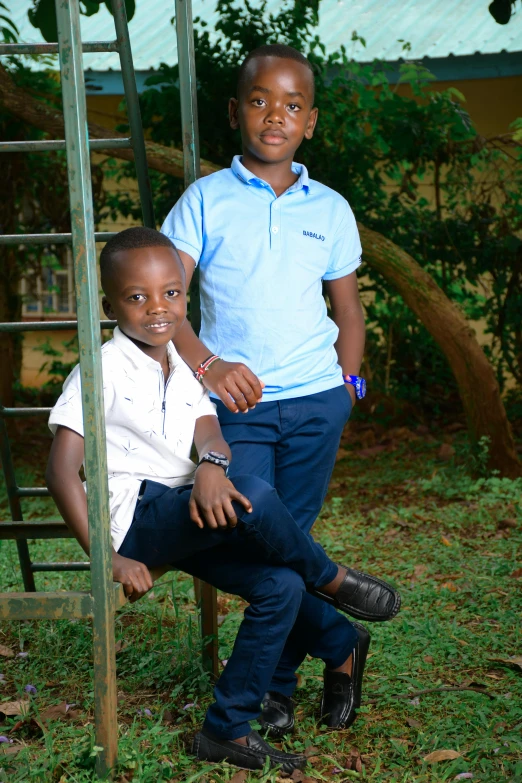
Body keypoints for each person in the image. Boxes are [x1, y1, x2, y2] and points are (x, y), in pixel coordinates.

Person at [45, 228, 399, 773]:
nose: (157, 308)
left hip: (182, 511)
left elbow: (208, 428)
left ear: (185, 299)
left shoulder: (178, 363)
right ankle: (328, 577)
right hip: (136, 516)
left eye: (171, 294)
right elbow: (60, 471)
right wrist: (108, 558)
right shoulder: (102, 371)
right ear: (110, 303)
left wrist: (212, 464)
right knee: (256, 494)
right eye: (137, 297)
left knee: (278, 585)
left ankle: (226, 729)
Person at [161, 43, 370, 737]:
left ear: (309, 120)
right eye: (258, 100)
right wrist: (209, 365)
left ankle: (277, 689)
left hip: (316, 402)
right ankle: (340, 638)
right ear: (235, 112)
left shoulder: (331, 209)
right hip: (238, 409)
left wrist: (349, 386)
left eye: (290, 104)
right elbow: (166, 306)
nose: (273, 115)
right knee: (256, 537)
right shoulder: (205, 200)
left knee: (290, 540)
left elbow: (348, 310)